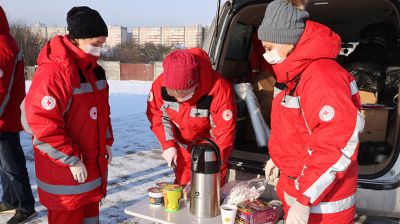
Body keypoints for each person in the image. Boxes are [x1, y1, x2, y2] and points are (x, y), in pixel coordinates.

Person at [258, 0, 364, 223]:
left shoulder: (321, 76)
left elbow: (336, 144)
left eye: (268, 48)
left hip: (322, 204)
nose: (266, 54)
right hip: (298, 189)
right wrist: (279, 159)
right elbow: (294, 130)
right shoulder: (292, 75)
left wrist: (304, 197)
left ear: (287, 41)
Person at [21, 6, 113, 223]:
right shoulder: (56, 72)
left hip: (91, 170)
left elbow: (103, 113)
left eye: (102, 44)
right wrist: (71, 159)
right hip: (65, 175)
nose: (99, 50)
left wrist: (107, 141)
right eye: (95, 44)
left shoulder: (95, 71)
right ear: (78, 39)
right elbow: (41, 122)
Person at [146, 48, 236, 186]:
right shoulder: (160, 84)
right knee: (183, 191)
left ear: (195, 83)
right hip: (183, 148)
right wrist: (168, 145)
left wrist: (209, 168)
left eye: (183, 94)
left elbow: (224, 134)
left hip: (211, 149)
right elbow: (157, 115)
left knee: (209, 192)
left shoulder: (218, 88)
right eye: (174, 95)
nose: (179, 100)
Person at [0, 6, 37, 224]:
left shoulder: (3, 46)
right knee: (5, 164)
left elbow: (2, 90)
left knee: (12, 164)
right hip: (5, 116)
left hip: (5, 118)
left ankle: (26, 205)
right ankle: (10, 199)